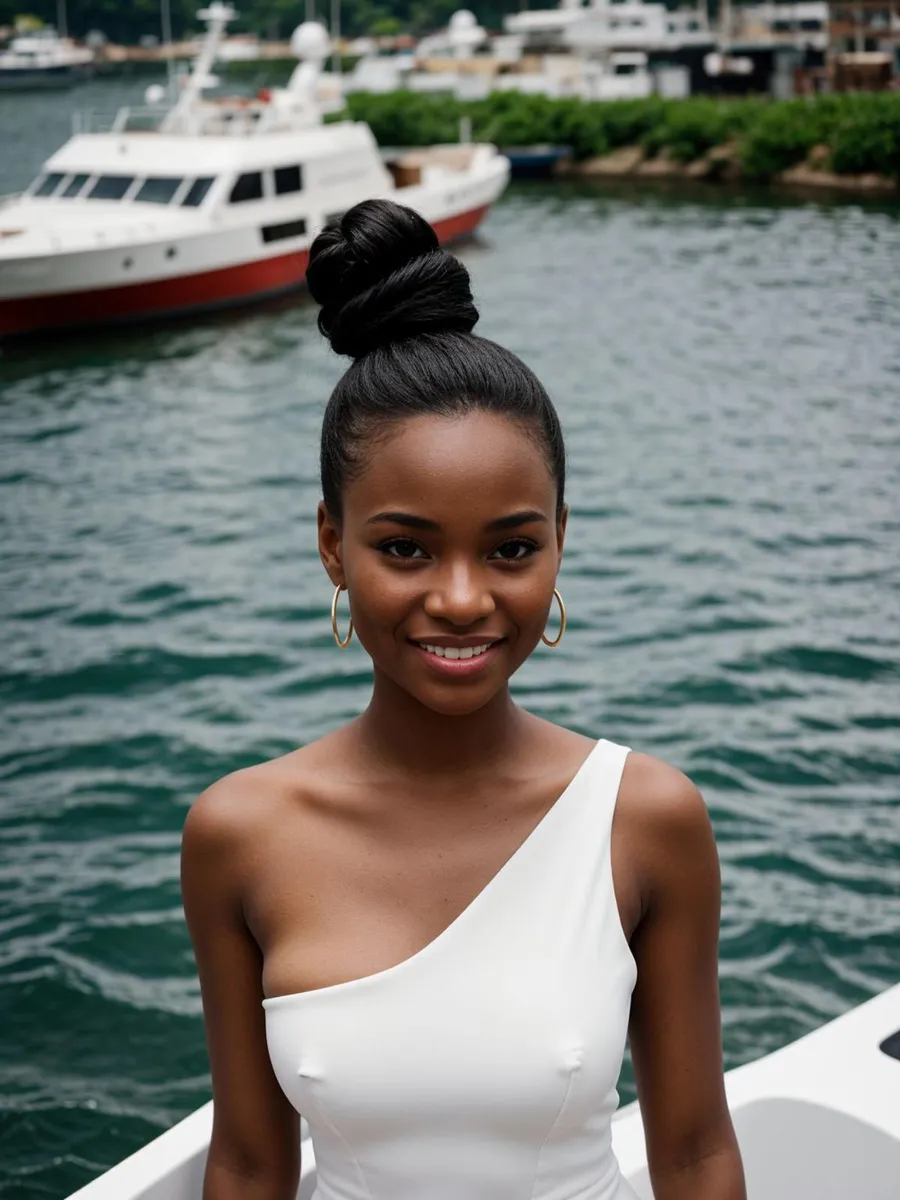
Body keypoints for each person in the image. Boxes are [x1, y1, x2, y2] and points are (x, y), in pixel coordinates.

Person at [180, 198, 746, 1200]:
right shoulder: (240, 833)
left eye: (511, 548)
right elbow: (249, 1162)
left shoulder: (645, 819)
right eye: (404, 548)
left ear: (560, 541)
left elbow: (696, 1154)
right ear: (331, 546)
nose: (460, 598)